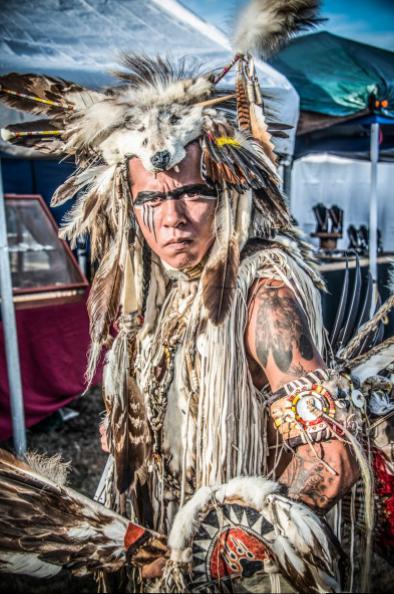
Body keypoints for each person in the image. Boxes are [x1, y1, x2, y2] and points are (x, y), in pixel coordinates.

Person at [1, 2, 391, 592]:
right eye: (150, 201)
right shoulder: (146, 288)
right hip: (156, 536)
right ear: (127, 207)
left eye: (192, 193)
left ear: (229, 194)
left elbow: (328, 453)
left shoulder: (262, 289)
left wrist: (251, 536)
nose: (172, 220)